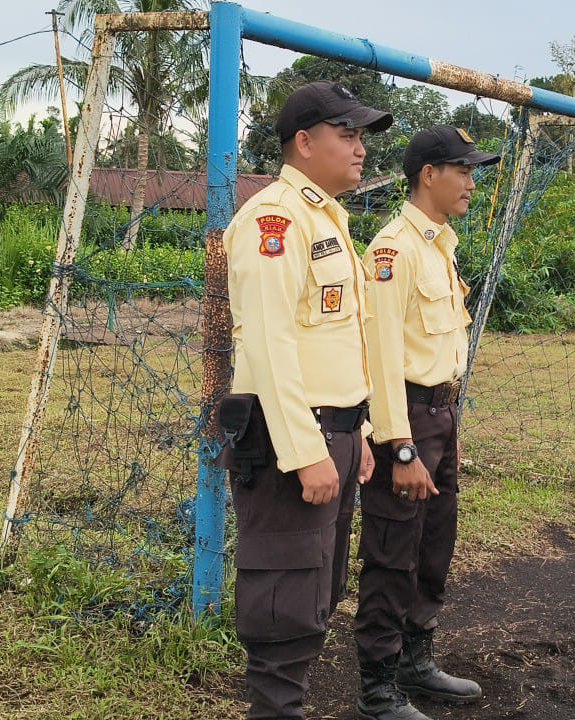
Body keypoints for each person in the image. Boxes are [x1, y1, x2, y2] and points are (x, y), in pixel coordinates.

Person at [221, 80, 392, 720]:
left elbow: (338, 341)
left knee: (315, 588)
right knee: (284, 600)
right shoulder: (275, 221)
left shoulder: (328, 220)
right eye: (347, 135)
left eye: (361, 136)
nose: (360, 149)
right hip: (295, 437)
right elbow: (268, 345)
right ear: (304, 142)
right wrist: (306, 450)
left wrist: (361, 433)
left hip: (335, 434)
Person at [352, 126, 497, 720]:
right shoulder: (395, 249)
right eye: (461, 170)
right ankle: (378, 689)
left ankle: (417, 658)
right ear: (428, 174)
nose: (470, 181)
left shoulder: (441, 242)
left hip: (441, 412)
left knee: (434, 540)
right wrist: (401, 446)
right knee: (392, 550)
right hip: (405, 418)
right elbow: (380, 354)